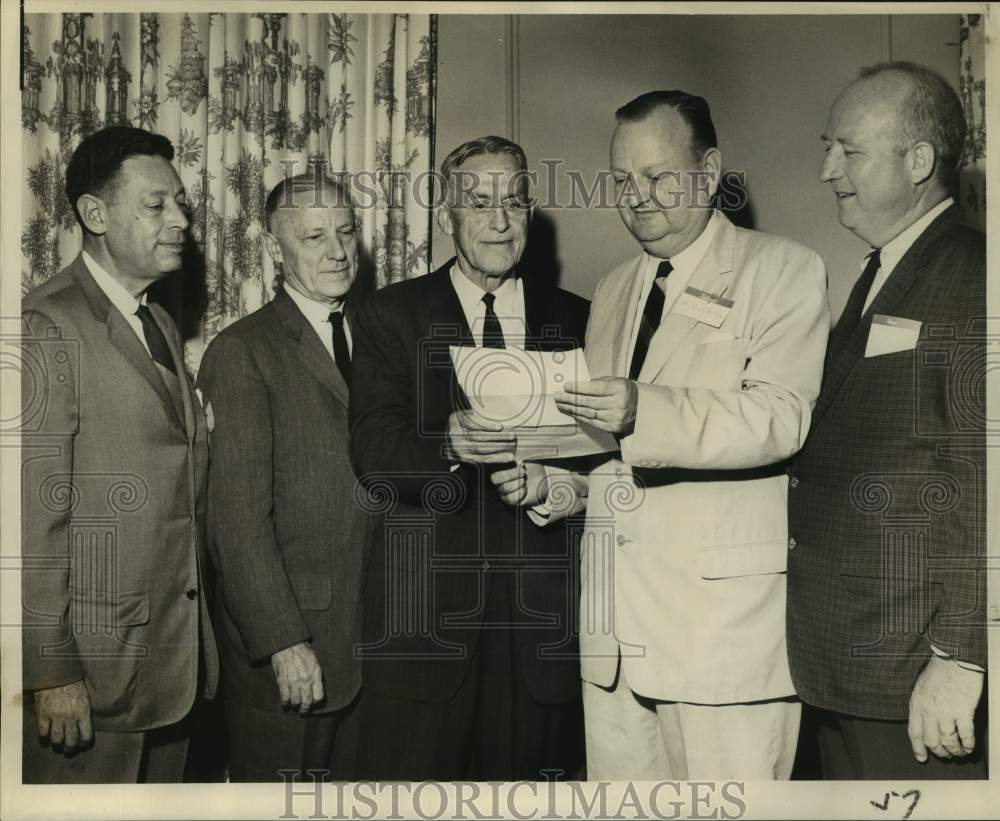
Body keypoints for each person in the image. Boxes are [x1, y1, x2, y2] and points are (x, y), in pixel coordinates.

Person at [553, 91, 829, 780]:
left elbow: (779, 417)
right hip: (615, 634)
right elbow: (616, 456)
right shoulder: (614, 288)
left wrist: (642, 408)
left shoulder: (784, 271)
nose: (637, 197)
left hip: (721, 635)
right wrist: (560, 483)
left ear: (709, 173)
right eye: (622, 181)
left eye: (657, 176)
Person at [349, 136, 588, 781]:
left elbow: (603, 466)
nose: (499, 220)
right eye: (478, 203)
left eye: (513, 201)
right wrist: (447, 445)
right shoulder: (389, 314)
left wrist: (558, 482)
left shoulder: (579, 318)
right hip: (425, 628)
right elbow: (372, 449)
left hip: (544, 630)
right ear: (448, 214)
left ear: (531, 214)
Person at [786, 62, 987, 780]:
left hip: (917, 675)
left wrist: (963, 658)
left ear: (920, 161)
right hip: (854, 663)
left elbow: (986, 480)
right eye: (827, 146)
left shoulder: (972, 276)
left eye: (848, 150)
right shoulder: (884, 272)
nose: (825, 169)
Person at [20, 126, 218, 783]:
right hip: (95, 678)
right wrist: (50, 669)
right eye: (158, 205)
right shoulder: (48, 325)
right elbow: (31, 517)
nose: (182, 220)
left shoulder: (158, 320)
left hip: (172, 662)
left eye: (182, 202)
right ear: (94, 214)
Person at [196, 172, 369, 781]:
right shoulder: (243, 351)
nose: (338, 251)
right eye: (315, 236)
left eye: (346, 231)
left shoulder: (380, 336)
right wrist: (283, 643)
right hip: (292, 657)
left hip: (373, 646)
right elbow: (237, 521)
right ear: (274, 248)